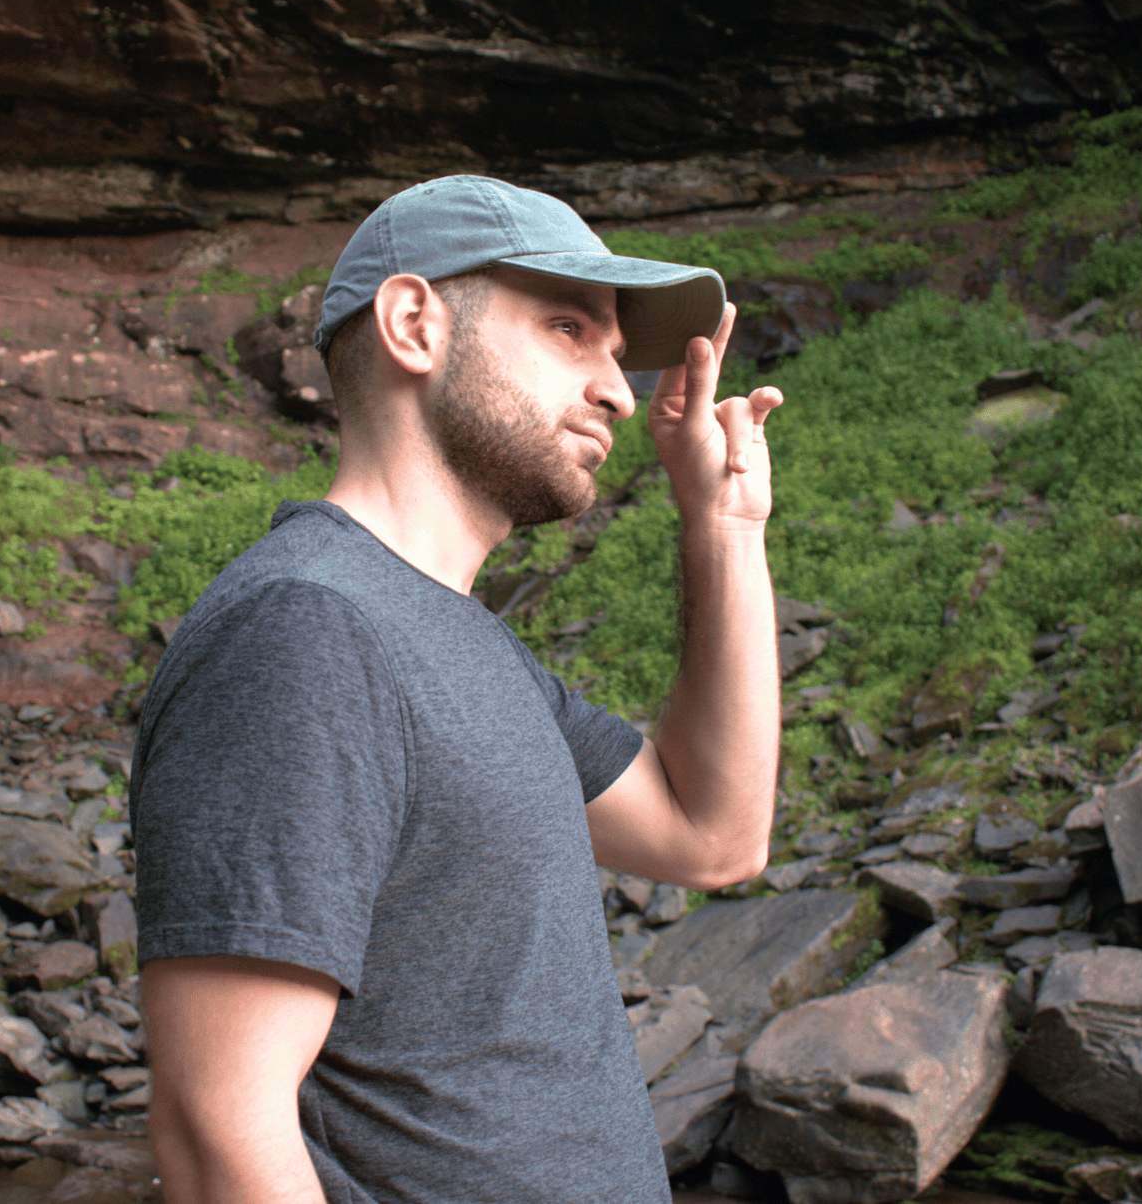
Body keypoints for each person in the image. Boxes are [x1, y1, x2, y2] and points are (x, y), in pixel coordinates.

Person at [133, 175, 784, 1203]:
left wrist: (722, 526)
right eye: (568, 326)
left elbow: (711, 834)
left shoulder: (459, 640)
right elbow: (219, 1130)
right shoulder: (305, 628)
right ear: (412, 324)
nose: (619, 389)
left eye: (615, 351)